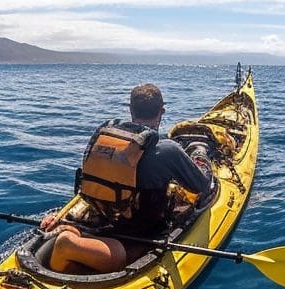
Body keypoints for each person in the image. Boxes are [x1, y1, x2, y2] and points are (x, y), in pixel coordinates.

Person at [39, 83, 213, 274]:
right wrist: (200, 154)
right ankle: (69, 244)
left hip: (98, 220)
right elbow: (202, 185)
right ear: (162, 111)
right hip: (132, 238)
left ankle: (72, 236)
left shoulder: (107, 139)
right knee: (122, 255)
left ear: (130, 110)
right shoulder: (168, 150)